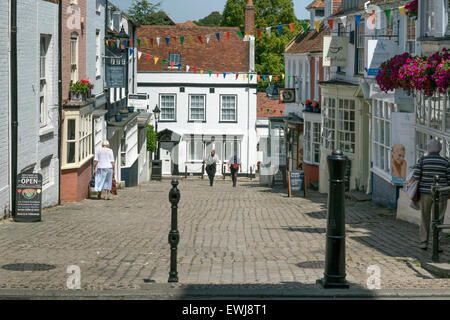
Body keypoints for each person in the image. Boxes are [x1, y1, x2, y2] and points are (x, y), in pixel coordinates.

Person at [412, 139, 450, 250]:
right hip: (441, 193)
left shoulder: (422, 160)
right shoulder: (445, 162)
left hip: (425, 193)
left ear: (428, 148)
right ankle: (436, 244)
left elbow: (416, 176)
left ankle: (424, 242)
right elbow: (449, 179)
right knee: (438, 219)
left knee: (425, 216)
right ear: (440, 149)